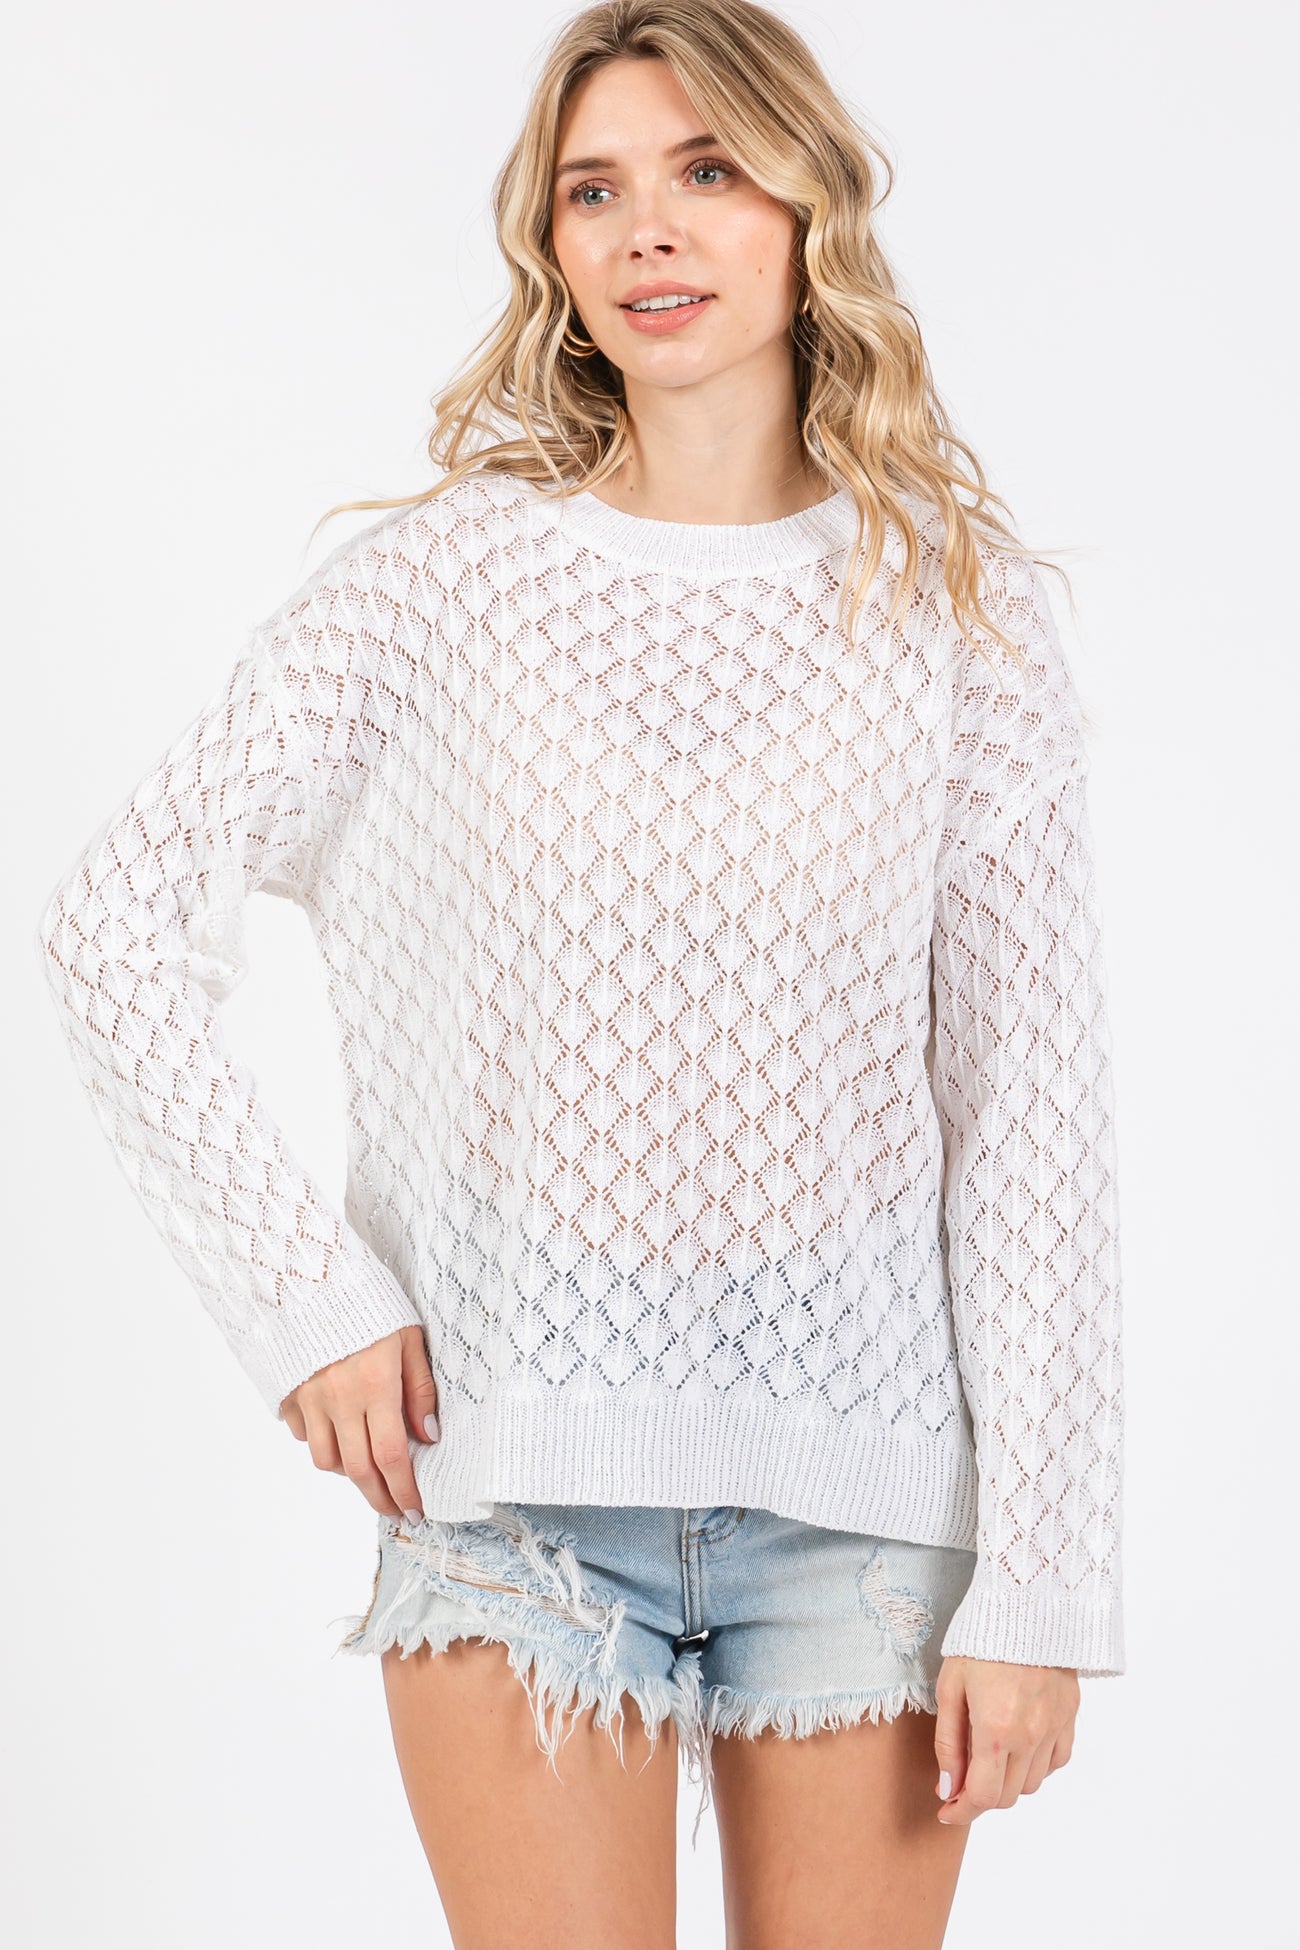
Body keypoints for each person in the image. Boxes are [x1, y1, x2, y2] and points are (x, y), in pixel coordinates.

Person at [34, 2, 1125, 1944]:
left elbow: (1027, 1114)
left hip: (867, 1515)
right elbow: (113, 917)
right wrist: (308, 1304)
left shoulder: (964, 618)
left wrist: (1041, 1579)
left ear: (807, 204)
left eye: (705, 171)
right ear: (548, 243)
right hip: (514, 1499)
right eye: (594, 191)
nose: (650, 230)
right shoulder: (434, 588)